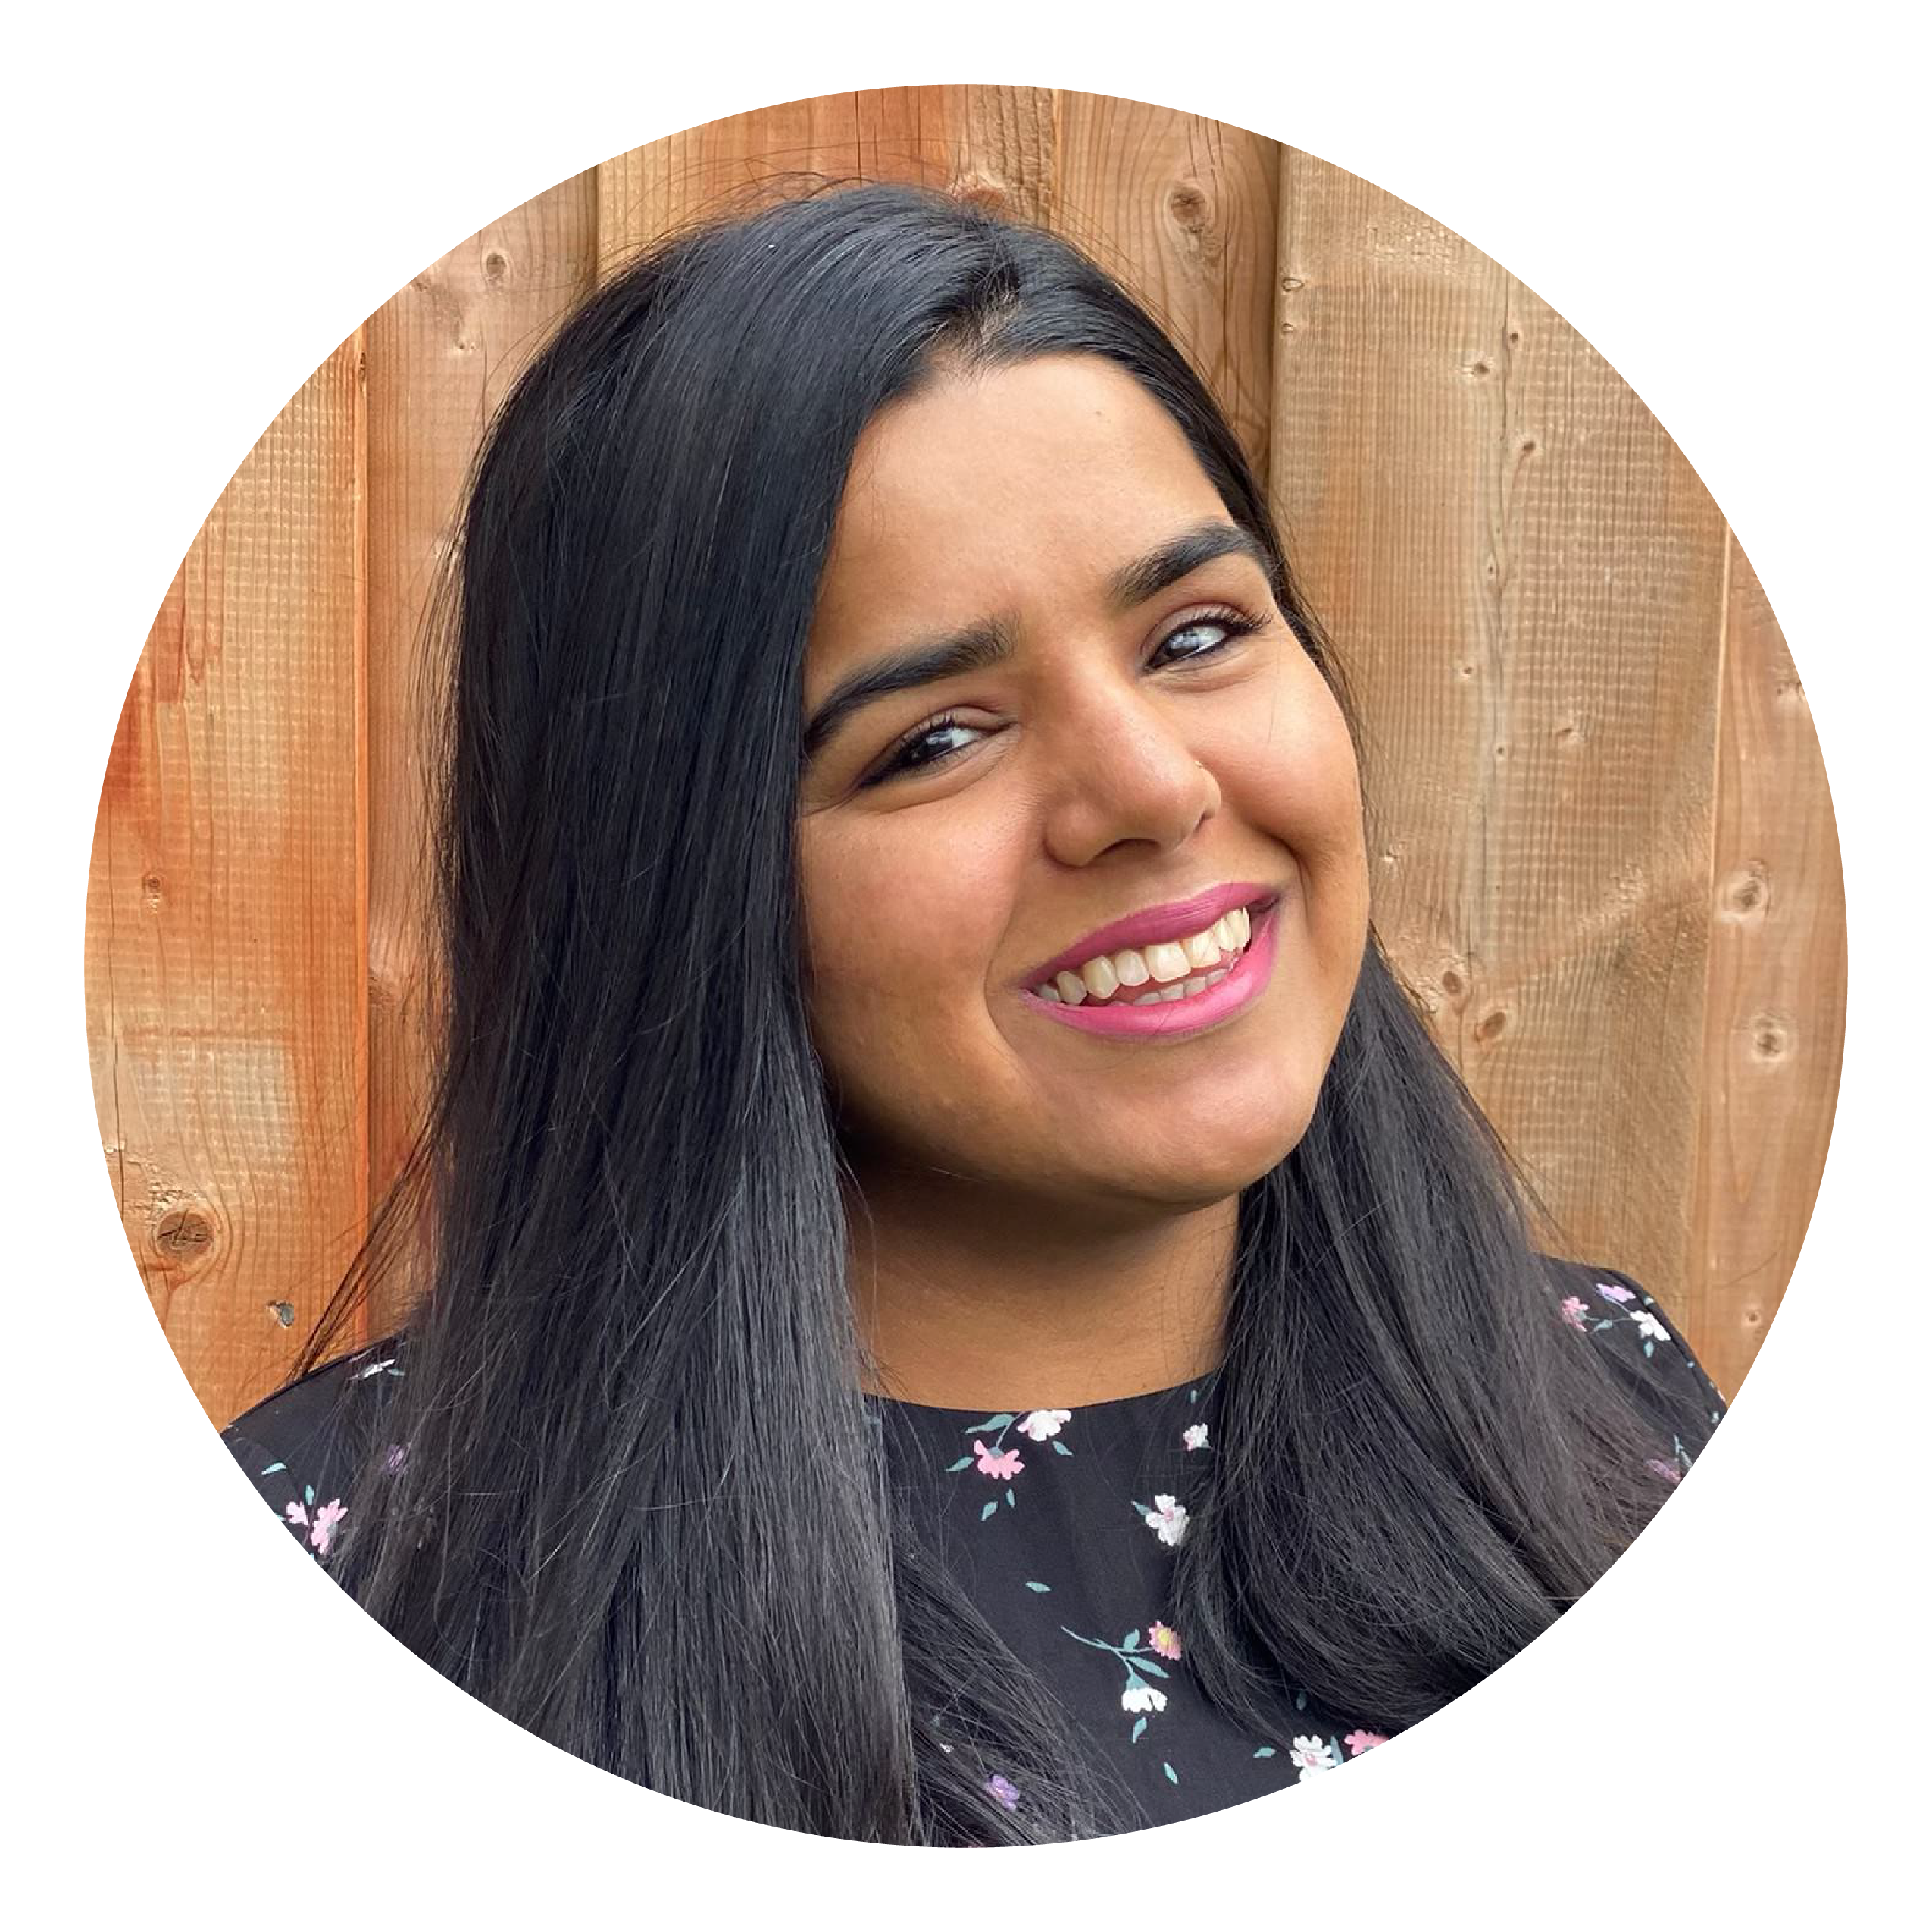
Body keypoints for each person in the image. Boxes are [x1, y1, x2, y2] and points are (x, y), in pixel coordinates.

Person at [220, 177, 1729, 1847]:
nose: (1151, 787)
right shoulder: (325, 1592)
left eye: (1201, 634)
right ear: (676, 887)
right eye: (933, 738)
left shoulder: (1622, 1415)